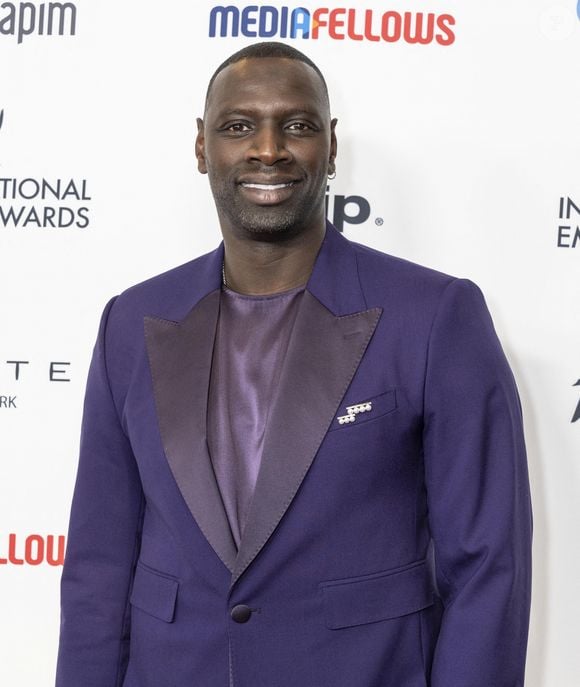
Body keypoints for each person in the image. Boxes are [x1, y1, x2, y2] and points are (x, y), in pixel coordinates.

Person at [56, 42, 532, 687]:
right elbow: (99, 566)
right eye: (238, 126)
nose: (268, 148)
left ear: (331, 146)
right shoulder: (131, 323)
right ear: (202, 147)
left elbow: (486, 566)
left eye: (298, 125)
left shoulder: (436, 316)